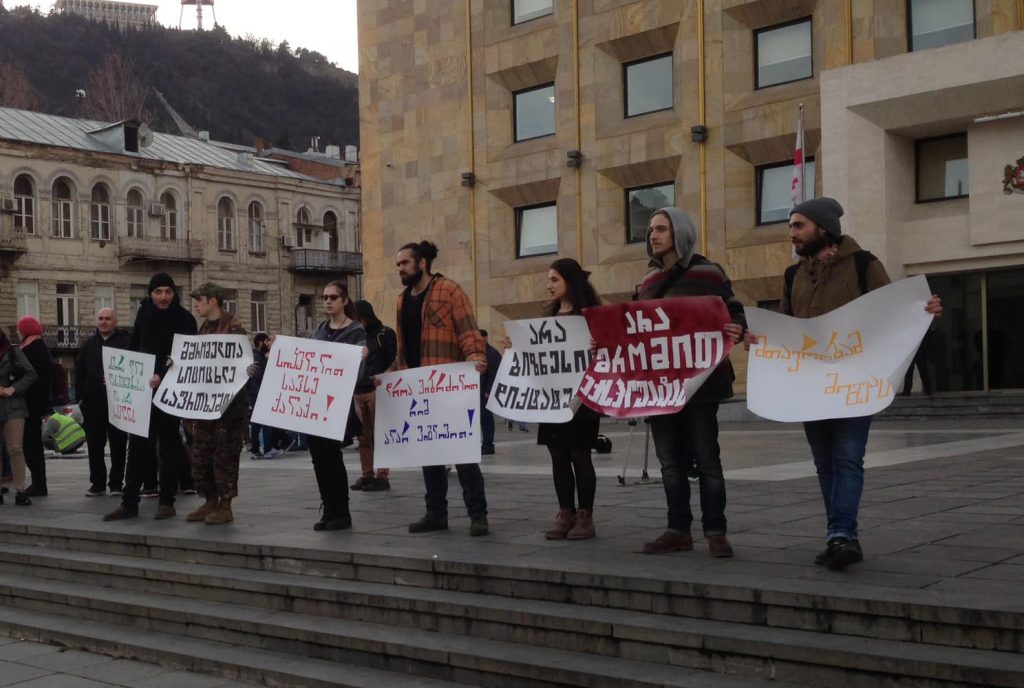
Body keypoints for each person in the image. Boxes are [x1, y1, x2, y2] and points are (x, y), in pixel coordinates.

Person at [759, 197, 942, 570]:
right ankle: (837, 535)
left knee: (847, 460)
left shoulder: (863, 264)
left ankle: (842, 534)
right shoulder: (793, 276)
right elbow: (786, 327)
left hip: (855, 384)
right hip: (811, 387)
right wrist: (759, 337)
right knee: (825, 464)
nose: (791, 233)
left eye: (798, 225)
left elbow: (893, 311)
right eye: (791, 226)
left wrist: (923, 312)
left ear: (822, 229)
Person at [637, 207, 746, 559]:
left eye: (661, 229)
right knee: (669, 462)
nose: (653, 235)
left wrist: (736, 327)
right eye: (651, 229)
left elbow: (734, 310)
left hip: (702, 384)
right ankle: (677, 529)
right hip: (661, 387)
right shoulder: (648, 282)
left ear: (679, 233)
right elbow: (637, 330)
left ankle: (715, 530)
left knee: (707, 458)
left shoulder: (708, 272)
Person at [394, 240, 490, 536]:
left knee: (463, 453)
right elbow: (404, 344)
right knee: (429, 452)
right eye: (398, 265)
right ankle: (435, 513)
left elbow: (468, 329)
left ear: (422, 263)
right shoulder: (401, 299)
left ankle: (478, 514)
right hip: (419, 386)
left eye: (404, 263)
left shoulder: (449, 290)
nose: (400, 269)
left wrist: (475, 357)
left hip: (449, 385)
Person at [104, 272, 198, 522]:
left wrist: (162, 374)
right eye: (158, 292)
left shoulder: (185, 319)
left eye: (168, 291)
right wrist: (120, 374)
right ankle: (129, 502)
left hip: (168, 393)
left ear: (174, 293)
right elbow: (135, 347)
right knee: (136, 447)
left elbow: (187, 357)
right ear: (151, 294)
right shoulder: (144, 314)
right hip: (143, 391)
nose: (164, 297)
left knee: (167, 446)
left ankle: (167, 501)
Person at [535, 258, 602, 540]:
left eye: (554, 280)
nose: (548, 285)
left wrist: (601, 344)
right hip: (553, 397)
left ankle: (585, 515)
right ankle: (566, 512)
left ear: (570, 282)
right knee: (557, 454)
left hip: (583, 398)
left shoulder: (591, 316)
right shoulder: (548, 318)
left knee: (579, 454)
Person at [293, 280, 367, 531]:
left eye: (333, 297)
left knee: (332, 458)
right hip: (315, 403)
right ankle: (328, 507)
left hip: (336, 404)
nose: (327, 301)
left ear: (344, 300)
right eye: (325, 297)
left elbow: (356, 373)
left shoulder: (356, 331)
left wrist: (358, 358)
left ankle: (341, 511)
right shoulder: (321, 329)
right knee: (318, 459)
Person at [185, 283, 250, 525]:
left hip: (229, 409)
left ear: (213, 301)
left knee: (224, 457)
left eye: (199, 299)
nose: (196, 304)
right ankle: (209, 500)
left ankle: (225, 504)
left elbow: (240, 366)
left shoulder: (234, 329)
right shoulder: (204, 329)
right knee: (201, 455)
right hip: (205, 406)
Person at [76, 308, 131, 497]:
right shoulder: (89, 344)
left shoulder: (126, 342)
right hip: (93, 404)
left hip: (118, 402)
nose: (104, 321)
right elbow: (79, 371)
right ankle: (97, 483)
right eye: (100, 318)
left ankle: (116, 483)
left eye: (108, 318)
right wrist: (81, 398)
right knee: (95, 445)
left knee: (118, 443)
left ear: (115, 321)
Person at [351, 299, 397, 492]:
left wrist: (384, 375)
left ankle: (383, 475)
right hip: (358, 390)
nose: (358, 322)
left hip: (376, 390)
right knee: (363, 437)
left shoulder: (384, 334)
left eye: (360, 318)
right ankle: (367, 474)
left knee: (379, 434)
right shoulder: (354, 336)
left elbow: (395, 359)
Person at [0, 328, 38, 506]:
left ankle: (20, 490)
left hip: (13, 406)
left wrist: (12, 388)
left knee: (15, 448)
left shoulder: (13, 351)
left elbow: (31, 373)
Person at [17, 316, 54, 497]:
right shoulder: (39, 348)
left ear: (25, 330)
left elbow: (39, 379)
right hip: (34, 403)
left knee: (31, 445)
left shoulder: (33, 349)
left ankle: (39, 484)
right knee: (30, 444)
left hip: (30, 404)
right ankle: (39, 482)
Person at [246, 333, 271, 459]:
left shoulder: (258, 356)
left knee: (256, 423)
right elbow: (257, 374)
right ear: (260, 342)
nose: (268, 344)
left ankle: (255, 449)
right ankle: (267, 449)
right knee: (265, 421)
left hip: (255, 393)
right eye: (267, 341)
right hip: (258, 393)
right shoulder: (257, 356)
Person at [479, 330, 501, 456]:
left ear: (486, 338)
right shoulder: (480, 353)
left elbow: (495, 374)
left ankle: (488, 444)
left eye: (481, 338)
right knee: (482, 419)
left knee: (486, 419)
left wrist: (489, 391)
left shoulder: (492, 353)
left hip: (485, 393)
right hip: (478, 392)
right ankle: (485, 443)